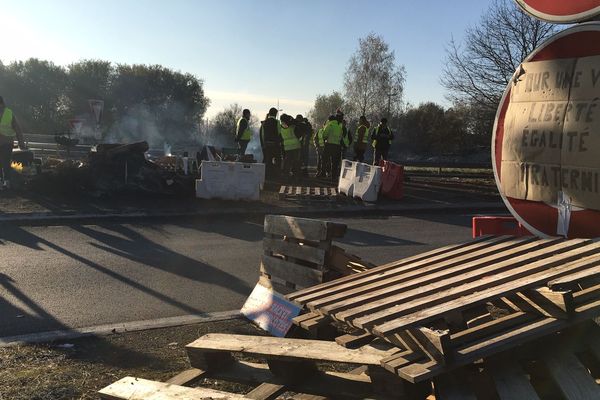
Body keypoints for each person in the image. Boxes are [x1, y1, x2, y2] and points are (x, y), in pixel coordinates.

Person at [0, 96, 25, 190]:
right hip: (7, 142)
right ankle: (5, 181)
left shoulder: (9, 113)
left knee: (4, 162)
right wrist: (21, 143)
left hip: (6, 142)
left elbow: (17, 129)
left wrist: (21, 143)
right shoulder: (9, 113)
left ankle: (5, 181)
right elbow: (18, 129)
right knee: (4, 162)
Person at [260, 107, 282, 179]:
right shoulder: (277, 122)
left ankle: (267, 175)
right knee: (278, 160)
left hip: (267, 144)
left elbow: (262, 134)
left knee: (267, 160)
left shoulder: (264, 122)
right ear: (276, 114)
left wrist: (263, 144)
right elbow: (279, 133)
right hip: (275, 144)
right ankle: (276, 175)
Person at [322, 112, 344, 182]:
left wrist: (325, 138)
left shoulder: (329, 125)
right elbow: (341, 136)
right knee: (335, 162)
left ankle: (323, 173)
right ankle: (334, 176)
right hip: (337, 146)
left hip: (329, 145)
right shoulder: (339, 126)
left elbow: (324, 134)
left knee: (324, 160)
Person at [280, 114, 301, 181]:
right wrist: (291, 118)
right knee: (296, 162)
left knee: (287, 162)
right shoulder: (292, 125)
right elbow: (298, 124)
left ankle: (286, 175)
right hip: (296, 145)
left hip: (287, 147)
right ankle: (296, 176)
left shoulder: (280, 127)